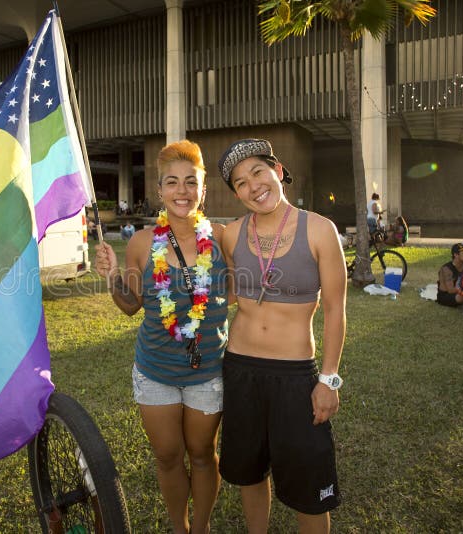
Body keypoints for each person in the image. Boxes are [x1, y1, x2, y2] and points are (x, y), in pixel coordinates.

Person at [94, 140, 229, 534]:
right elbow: (130, 305)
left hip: (207, 372)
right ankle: (179, 528)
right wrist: (111, 277)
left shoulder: (222, 238)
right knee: (168, 457)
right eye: (173, 182)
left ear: (203, 190)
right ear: (160, 191)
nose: (182, 191)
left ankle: (200, 528)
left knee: (204, 454)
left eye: (191, 182)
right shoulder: (141, 243)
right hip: (155, 370)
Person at [217, 138, 346, 533]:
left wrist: (328, 380)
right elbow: (227, 292)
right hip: (239, 368)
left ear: (278, 170)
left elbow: (336, 310)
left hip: (294, 374)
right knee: (250, 472)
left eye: (257, 172)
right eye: (240, 183)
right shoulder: (230, 234)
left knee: (307, 483)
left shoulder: (320, 230)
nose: (252, 186)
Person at [436, 242, 463, 308]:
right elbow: (451, 290)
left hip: (462, 292)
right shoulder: (446, 269)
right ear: (456, 255)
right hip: (446, 295)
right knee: (462, 297)